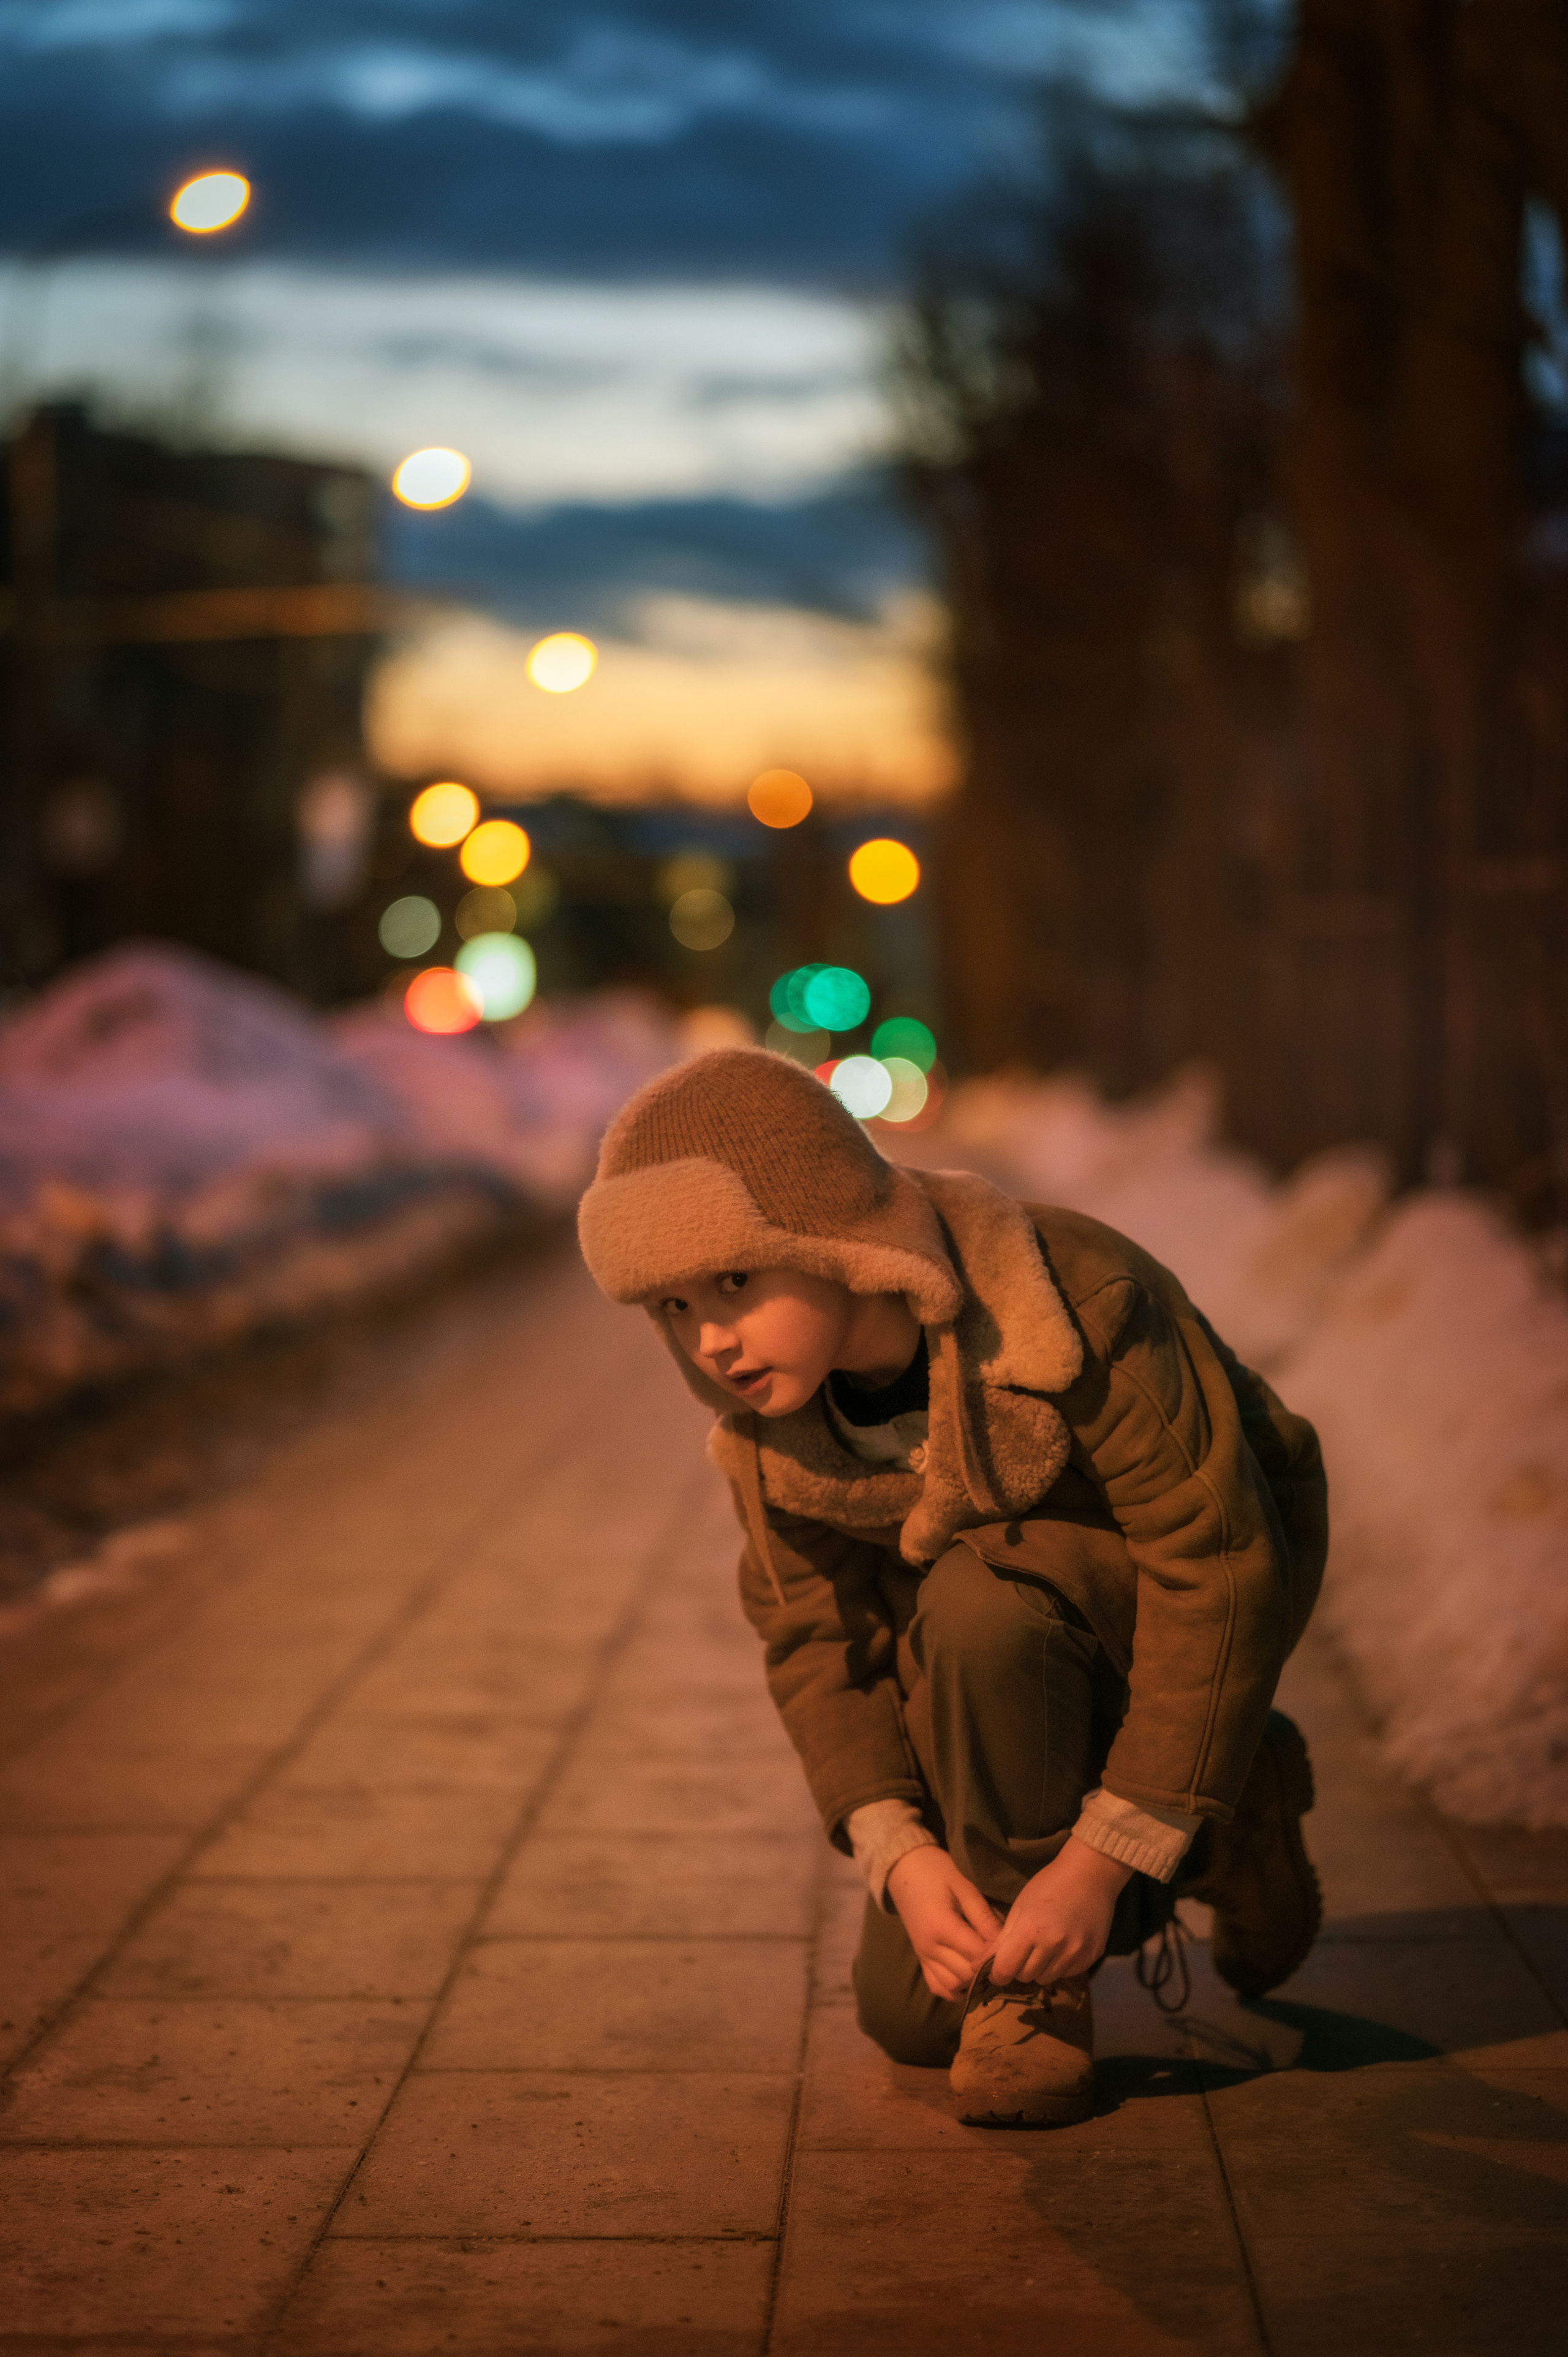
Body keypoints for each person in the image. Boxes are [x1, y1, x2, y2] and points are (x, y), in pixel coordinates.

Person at [578, 1047, 1326, 2127]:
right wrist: (904, 1854)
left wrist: (1106, 1859)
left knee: (983, 1599)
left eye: (735, 1281)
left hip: (1176, 1614)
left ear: (830, 1232)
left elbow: (1217, 1559)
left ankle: (1069, 1953)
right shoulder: (767, 1430)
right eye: (674, 1305)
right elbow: (812, 1640)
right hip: (990, 1680)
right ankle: (1229, 1817)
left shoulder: (1069, 1298)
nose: (711, 1340)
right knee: (912, 2017)